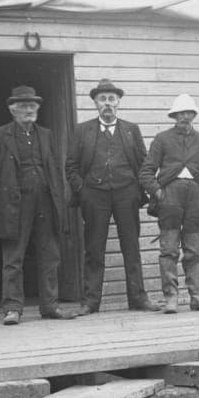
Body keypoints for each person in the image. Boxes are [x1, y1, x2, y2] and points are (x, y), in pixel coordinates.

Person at [66, 78, 159, 315]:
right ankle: (90, 302)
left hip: (126, 194)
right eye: (102, 99)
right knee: (94, 249)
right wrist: (83, 191)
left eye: (111, 99)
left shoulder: (131, 130)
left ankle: (138, 298)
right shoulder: (82, 131)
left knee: (131, 247)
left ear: (118, 102)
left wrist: (138, 190)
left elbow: (144, 163)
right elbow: (71, 166)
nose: (107, 103)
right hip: (94, 196)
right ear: (95, 103)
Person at [0, 85, 70, 324]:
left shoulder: (46, 135)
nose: (29, 110)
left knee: (50, 255)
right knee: (14, 257)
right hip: (15, 205)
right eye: (23, 106)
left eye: (32, 106)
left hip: (45, 202)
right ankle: (12, 308)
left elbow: (54, 169)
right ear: (13, 110)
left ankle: (50, 306)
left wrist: (58, 198)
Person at [139, 94, 199, 314]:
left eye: (189, 112)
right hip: (170, 199)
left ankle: (197, 296)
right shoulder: (162, 139)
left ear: (194, 115)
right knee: (169, 249)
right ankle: (171, 297)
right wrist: (158, 192)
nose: (185, 116)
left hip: (196, 199)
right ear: (174, 116)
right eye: (181, 113)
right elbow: (146, 172)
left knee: (194, 249)